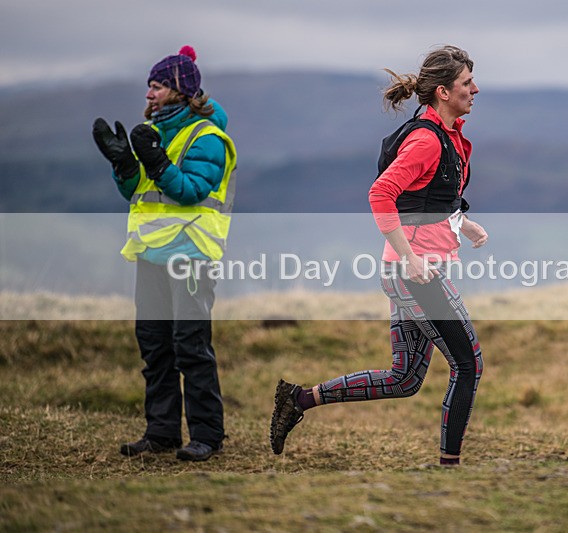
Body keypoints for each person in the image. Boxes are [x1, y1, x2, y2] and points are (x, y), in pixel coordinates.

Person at [270, 45, 487, 466]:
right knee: (468, 364)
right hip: (417, 275)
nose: (475, 89)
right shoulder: (426, 140)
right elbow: (381, 193)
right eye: (466, 83)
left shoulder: (448, 137)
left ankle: (297, 399)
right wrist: (410, 258)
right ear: (443, 91)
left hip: (411, 270)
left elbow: (428, 199)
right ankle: (450, 468)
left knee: (404, 378)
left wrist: (462, 223)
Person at [92, 46, 237, 462]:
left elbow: (191, 191)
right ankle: (161, 433)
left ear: (178, 91)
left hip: (192, 254)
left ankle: (207, 435)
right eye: (149, 87)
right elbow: (139, 193)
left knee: (190, 346)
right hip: (152, 254)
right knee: (154, 346)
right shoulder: (154, 131)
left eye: (156, 86)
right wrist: (124, 165)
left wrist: (154, 161)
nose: (149, 94)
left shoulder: (207, 137)